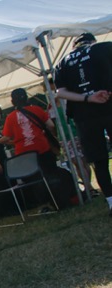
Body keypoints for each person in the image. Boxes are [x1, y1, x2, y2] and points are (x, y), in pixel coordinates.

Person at [54, 32, 112, 216]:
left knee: (99, 161)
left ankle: (111, 201)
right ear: (92, 41)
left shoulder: (62, 62)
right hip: (109, 107)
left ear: (74, 45)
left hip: (84, 116)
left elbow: (60, 92)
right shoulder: (104, 47)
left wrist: (87, 97)